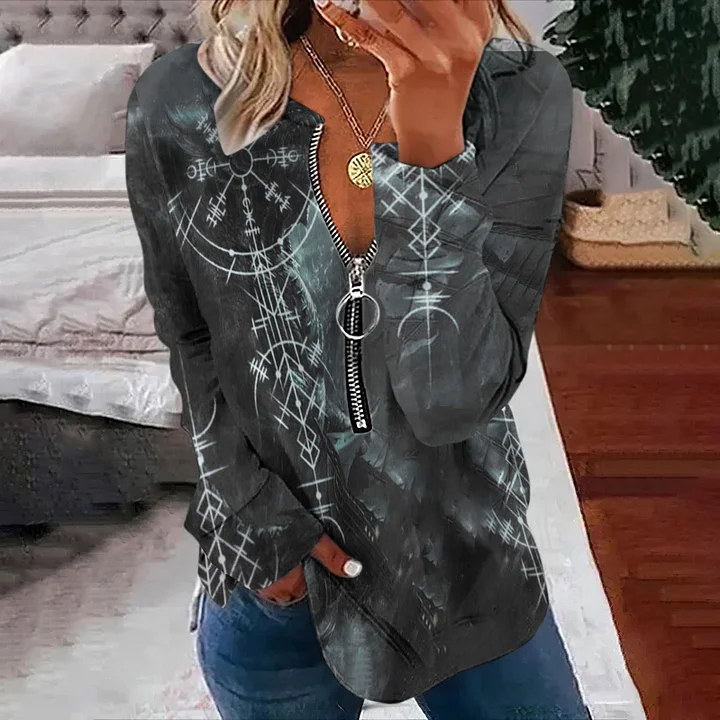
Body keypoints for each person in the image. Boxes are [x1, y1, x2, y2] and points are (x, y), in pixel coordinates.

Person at [125, 0, 586, 718]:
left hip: (472, 568)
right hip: (277, 583)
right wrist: (254, 516)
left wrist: (432, 149)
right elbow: (190, 336)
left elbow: (452, 401)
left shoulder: (521, 94)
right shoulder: (183, 99)